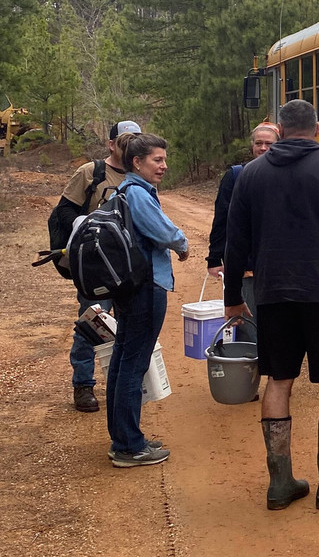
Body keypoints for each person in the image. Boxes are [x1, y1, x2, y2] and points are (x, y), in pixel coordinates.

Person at [224, 99, 319, 509]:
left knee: (278, 380)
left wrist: (233, 299)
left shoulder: (252, 174)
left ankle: (280, 483)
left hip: (274, 294)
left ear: (280, 130)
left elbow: (235, 242)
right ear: (317, 129)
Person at [106, 132, 188, 467]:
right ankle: (129, 446)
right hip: (146, 287)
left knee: (124, 359)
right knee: (134, 364)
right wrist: (183, 244)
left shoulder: (125, 191)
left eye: (164, 159)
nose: (164, 166)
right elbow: (165, 232)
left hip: (131, 288)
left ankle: (123, 438)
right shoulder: (138, 194)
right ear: (137, 162)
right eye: (157, 160)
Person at [57, 119, 140, 413]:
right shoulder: (91, 173)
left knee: (129, 325)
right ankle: (83, 384)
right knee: (93, 321)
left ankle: (124, 384)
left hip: (130, 267)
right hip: (97, 268)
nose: (131, 146)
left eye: (136, 140)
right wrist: (87, 228)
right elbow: (64, 211)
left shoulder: (140, 172)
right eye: (126, 141)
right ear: (111, 144)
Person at [206, 122, 280, 342]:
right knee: (250, 328)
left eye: (269, 144)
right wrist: (214, 258)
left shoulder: (286, 176)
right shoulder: (236, 175)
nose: (263, 148)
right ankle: (252, 362)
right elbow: (221, 220)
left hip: (279, 270)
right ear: (252, 146)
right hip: (247, 269)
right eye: (259, 143)